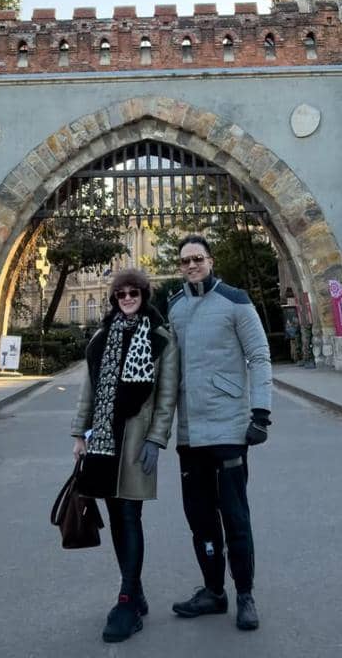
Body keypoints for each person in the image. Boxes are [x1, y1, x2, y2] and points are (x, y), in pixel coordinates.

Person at [167, 233, 272, 632]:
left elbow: (259, 355)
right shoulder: (175, 307)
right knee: (199, 518)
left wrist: (260, 413)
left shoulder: (235, 300)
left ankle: (244, 593)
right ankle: (214, 591)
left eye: (197, 259)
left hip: (228, 427)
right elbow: (169, 372)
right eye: (185, 261)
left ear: (210, 260)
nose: (191, 266)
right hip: (190, 432)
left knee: (235, 517)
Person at [70, 267, 179, 643]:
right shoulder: (102, 338)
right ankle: (136, 590)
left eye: (134, 293)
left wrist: (156, 439)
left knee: (130, 513)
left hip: (135, 439)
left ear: (144, 296)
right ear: (114, 298)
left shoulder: (161, 338)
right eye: (121, 294)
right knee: (117, 515)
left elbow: (166, 396)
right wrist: (77, 434)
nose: (128, 299)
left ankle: (128, 600)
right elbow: (89, 389)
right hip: (102, 439)